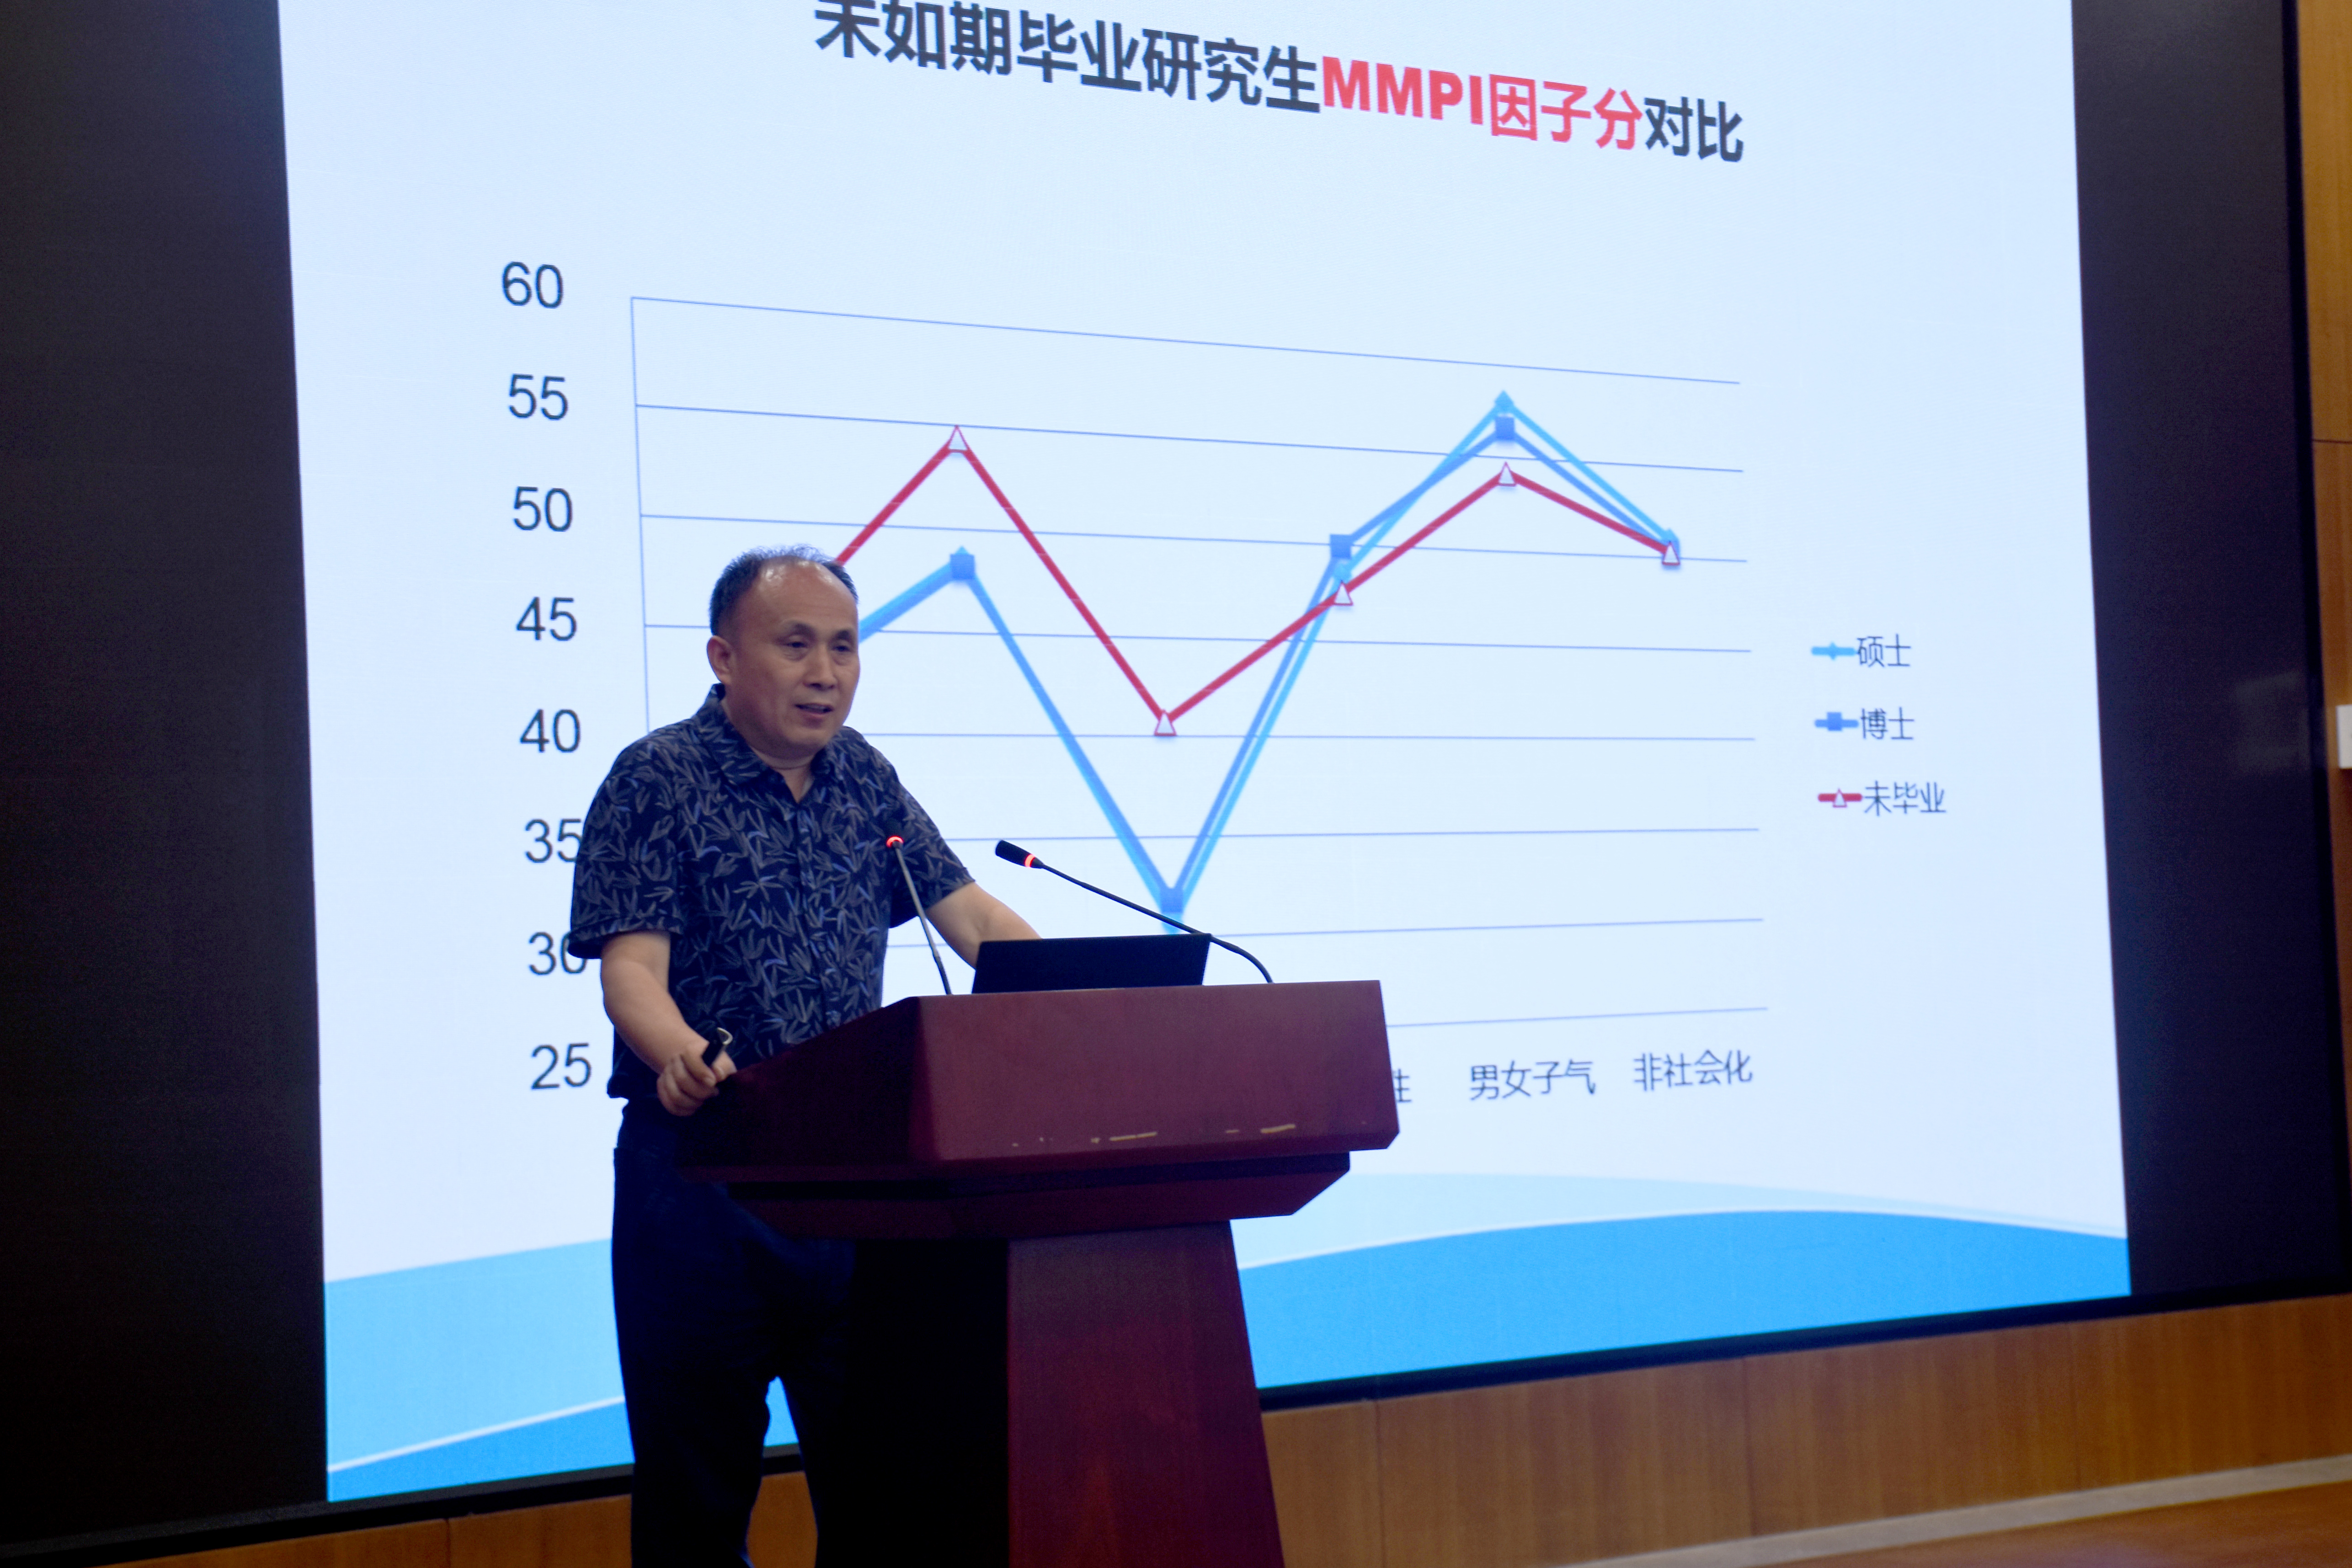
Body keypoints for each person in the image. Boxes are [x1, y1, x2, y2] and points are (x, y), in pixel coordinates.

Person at [565, 544, 1039, 1567]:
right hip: (704, 1181)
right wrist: (680, 1056)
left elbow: (967, 912)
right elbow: (630, 971)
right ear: (723, 657)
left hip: (855, 1188)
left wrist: (1074, 994)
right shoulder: (657, 777)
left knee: (886, 1495)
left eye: (843, 647)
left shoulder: (862, 776)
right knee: (696, 1505)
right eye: (796, 645)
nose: (826, 672)